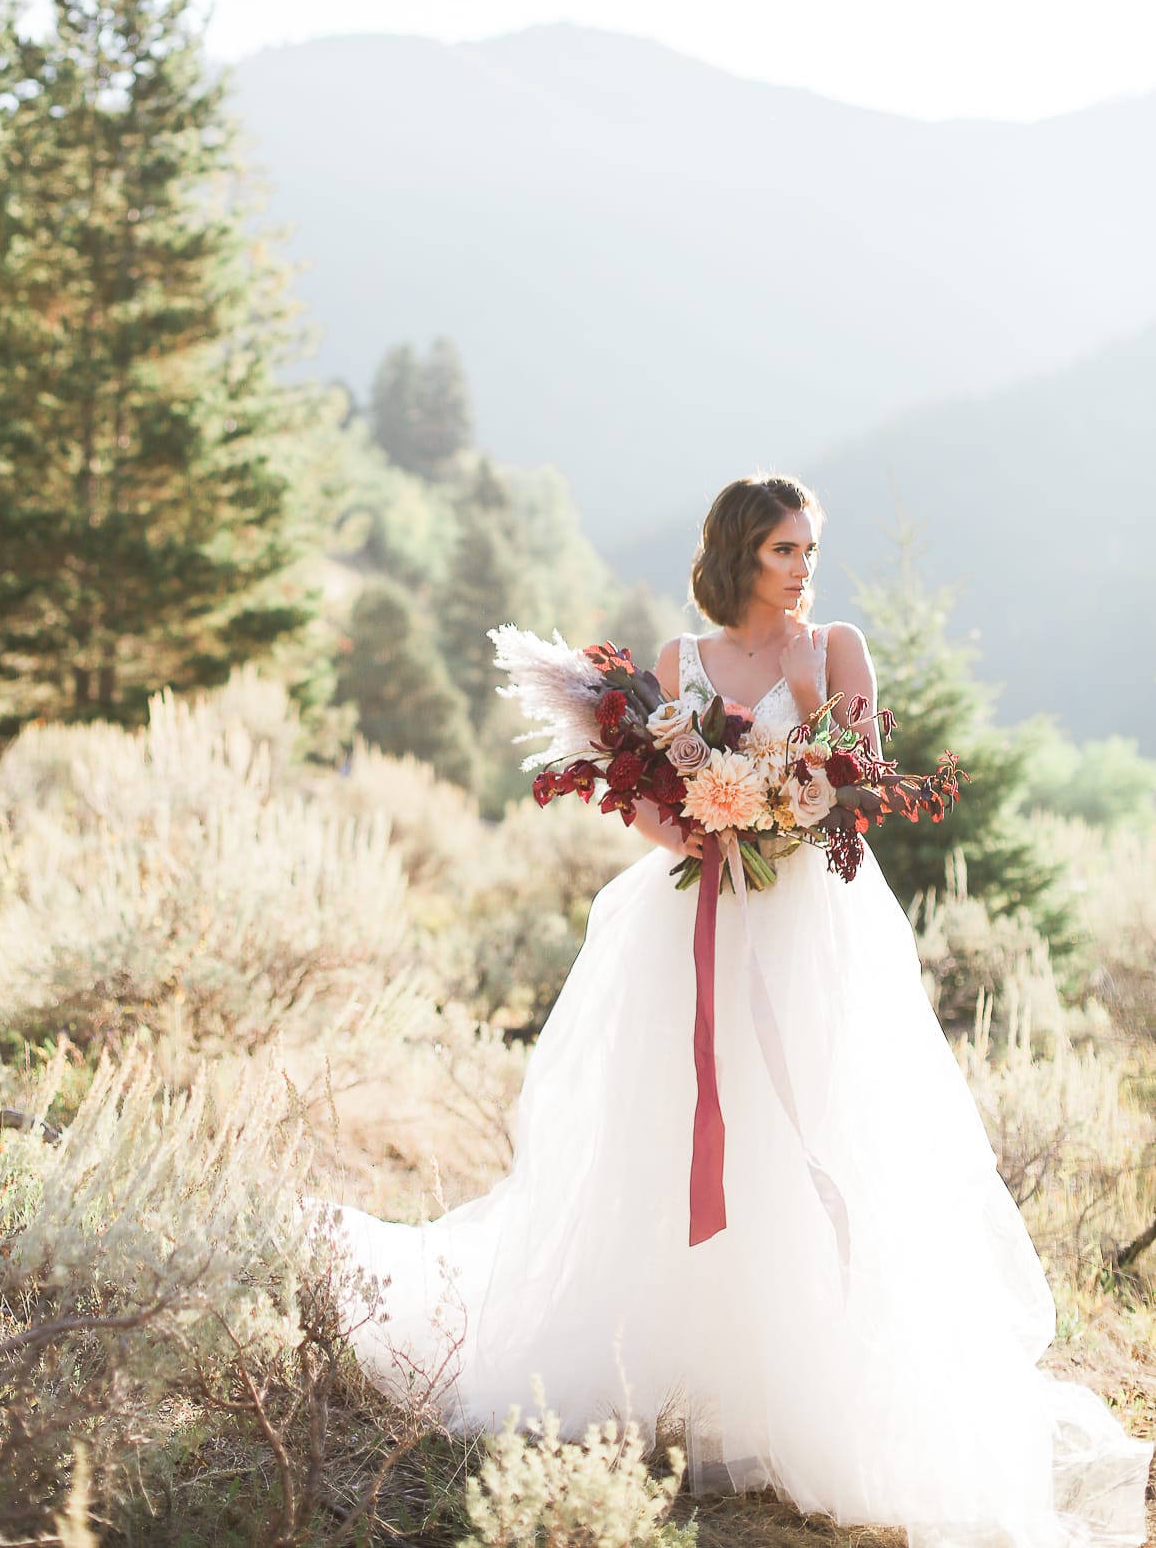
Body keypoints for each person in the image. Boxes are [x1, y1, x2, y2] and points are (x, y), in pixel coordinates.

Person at [324, 473, 1153, 1548]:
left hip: (817, 917)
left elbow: (861, 783)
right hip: (702, 915)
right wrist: (707, 829)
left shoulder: (835, 645)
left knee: (818, 1116)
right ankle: (684, 1362)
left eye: (810, 546)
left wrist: (794, 764)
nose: (804, 565)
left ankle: (826, 1370)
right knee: (677, 1120)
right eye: (782, 550)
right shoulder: (681, 661)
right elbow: (652, 801)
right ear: (738, 554)